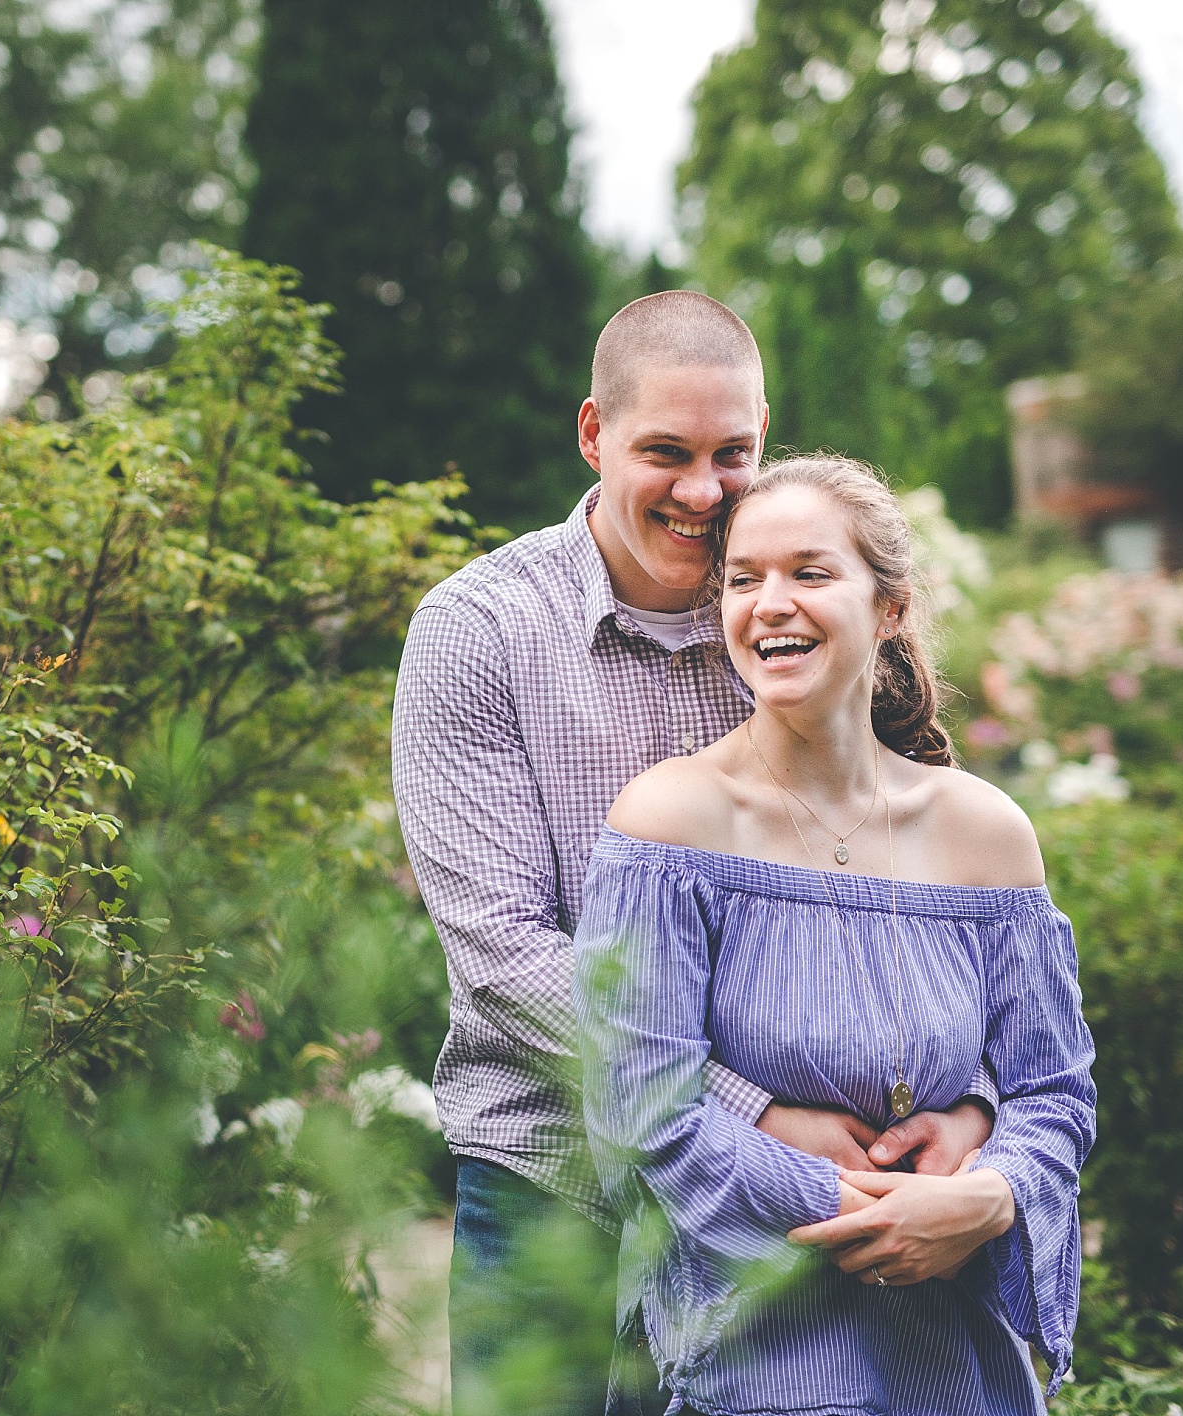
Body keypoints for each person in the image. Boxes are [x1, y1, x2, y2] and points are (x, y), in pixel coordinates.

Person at [392, 295, 1000, 1416]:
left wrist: (968, 1106)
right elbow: (501, 956)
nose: (703, 491)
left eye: (734, 454)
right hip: (559, 1185)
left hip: (807, 1194)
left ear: (766, 433)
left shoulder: (798, 614)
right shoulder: (477, 634)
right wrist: (752, 1110)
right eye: (663, 453)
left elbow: (929, 897)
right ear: (592, 435)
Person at [574, 455, 1096, 1416]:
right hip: (751, 1366)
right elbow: (642, 1116)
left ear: (888, 607)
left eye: (810, 574)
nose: (770, 603)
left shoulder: (985, 832)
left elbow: (1053, 1093)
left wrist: (990, 1197)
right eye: (744, 580)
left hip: (960, 1377)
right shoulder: (671, 826)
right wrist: (872, 1215)